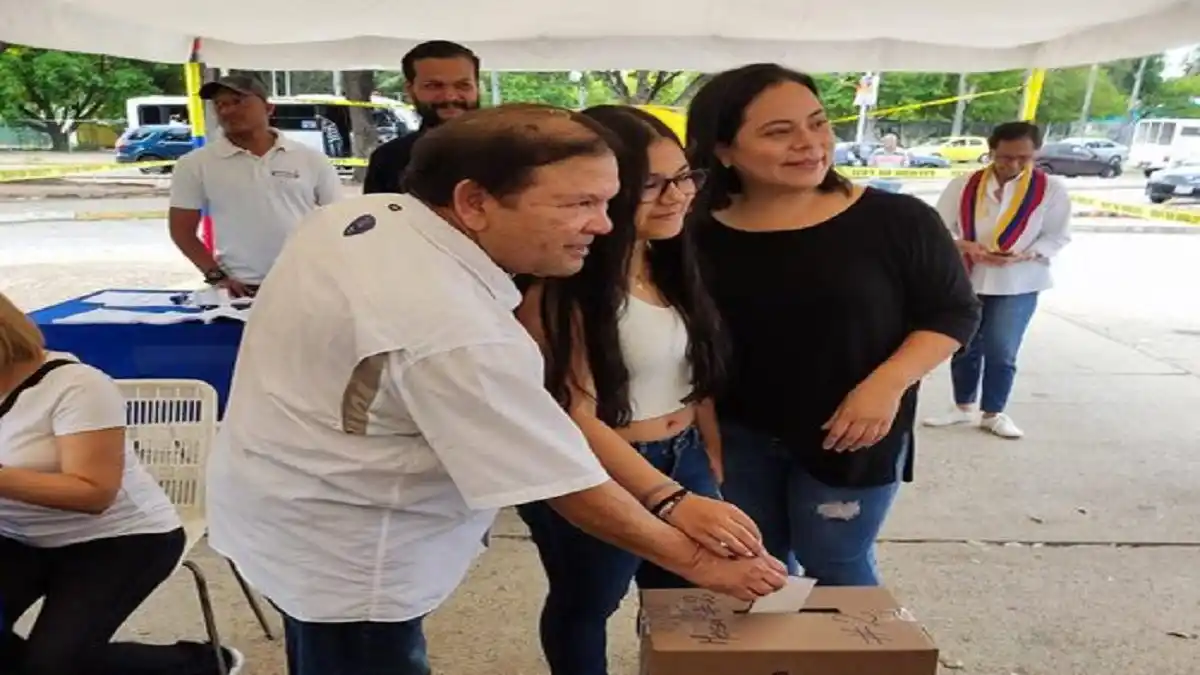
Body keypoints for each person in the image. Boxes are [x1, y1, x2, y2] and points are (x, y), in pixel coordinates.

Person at [205, 104, 788, 675]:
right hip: (351, 554)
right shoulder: (455, 329)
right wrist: (694, 558)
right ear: (474, 201)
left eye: (608, 201)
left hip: (281, 509)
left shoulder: (366, 216)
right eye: (579, 204)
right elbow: (564, 482)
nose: (604, 225)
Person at [685, 64, 981, 586]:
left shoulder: (897, 220)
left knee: (836, 561)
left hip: (853, 436)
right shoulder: (691, 232)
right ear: (723, 150)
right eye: (779, 132)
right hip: (739, 436)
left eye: (818, 123)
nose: (809, 143)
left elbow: (952, 311)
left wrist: (886, 385)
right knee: (758, 567)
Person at [515, 106, 761, 675]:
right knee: (589, 601)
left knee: (685, 601)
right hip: (601, 470)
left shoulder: (669, 260)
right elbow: (571, 411)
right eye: (652, 183)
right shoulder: (562, 286)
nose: (677, 194)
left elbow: (691, 372)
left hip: (685, 458)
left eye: (684, 176)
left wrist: (707, 453)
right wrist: (668, 498)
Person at [0, 291, 241, 675]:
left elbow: (93, 492)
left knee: (54, 665)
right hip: (18, 536)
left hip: (121, 539)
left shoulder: (76, 385)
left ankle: (200, 664)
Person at [923, 121, 1072, 439]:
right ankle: (962, 406)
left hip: (1018, 280)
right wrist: (964, 246)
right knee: (963, 344)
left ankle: (994, 412)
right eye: (1005, 157)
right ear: (991, 152)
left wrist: (1026, 254)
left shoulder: (1051, 189)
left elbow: (1057, 236)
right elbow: (937, 228)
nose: (1013, 165)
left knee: (1002, 348)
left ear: (1036, 153)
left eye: (1023, 158)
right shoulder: (965, 184)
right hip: (968, 276)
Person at [168, 74, 343, 297]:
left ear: (269, 108)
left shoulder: (310, 159)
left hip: (305, 283)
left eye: (238, 101)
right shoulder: (194, 164)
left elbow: (338, 220)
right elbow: (182, 231)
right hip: (242, 289)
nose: (227, 110)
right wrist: (216, 276)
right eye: (220, 104)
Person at [362, 40, 481, 194]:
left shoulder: (514, 151)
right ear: (410, 90)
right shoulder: (389, 159)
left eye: (463, 85)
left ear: (477, 87)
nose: (450, 97)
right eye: (434, 86)